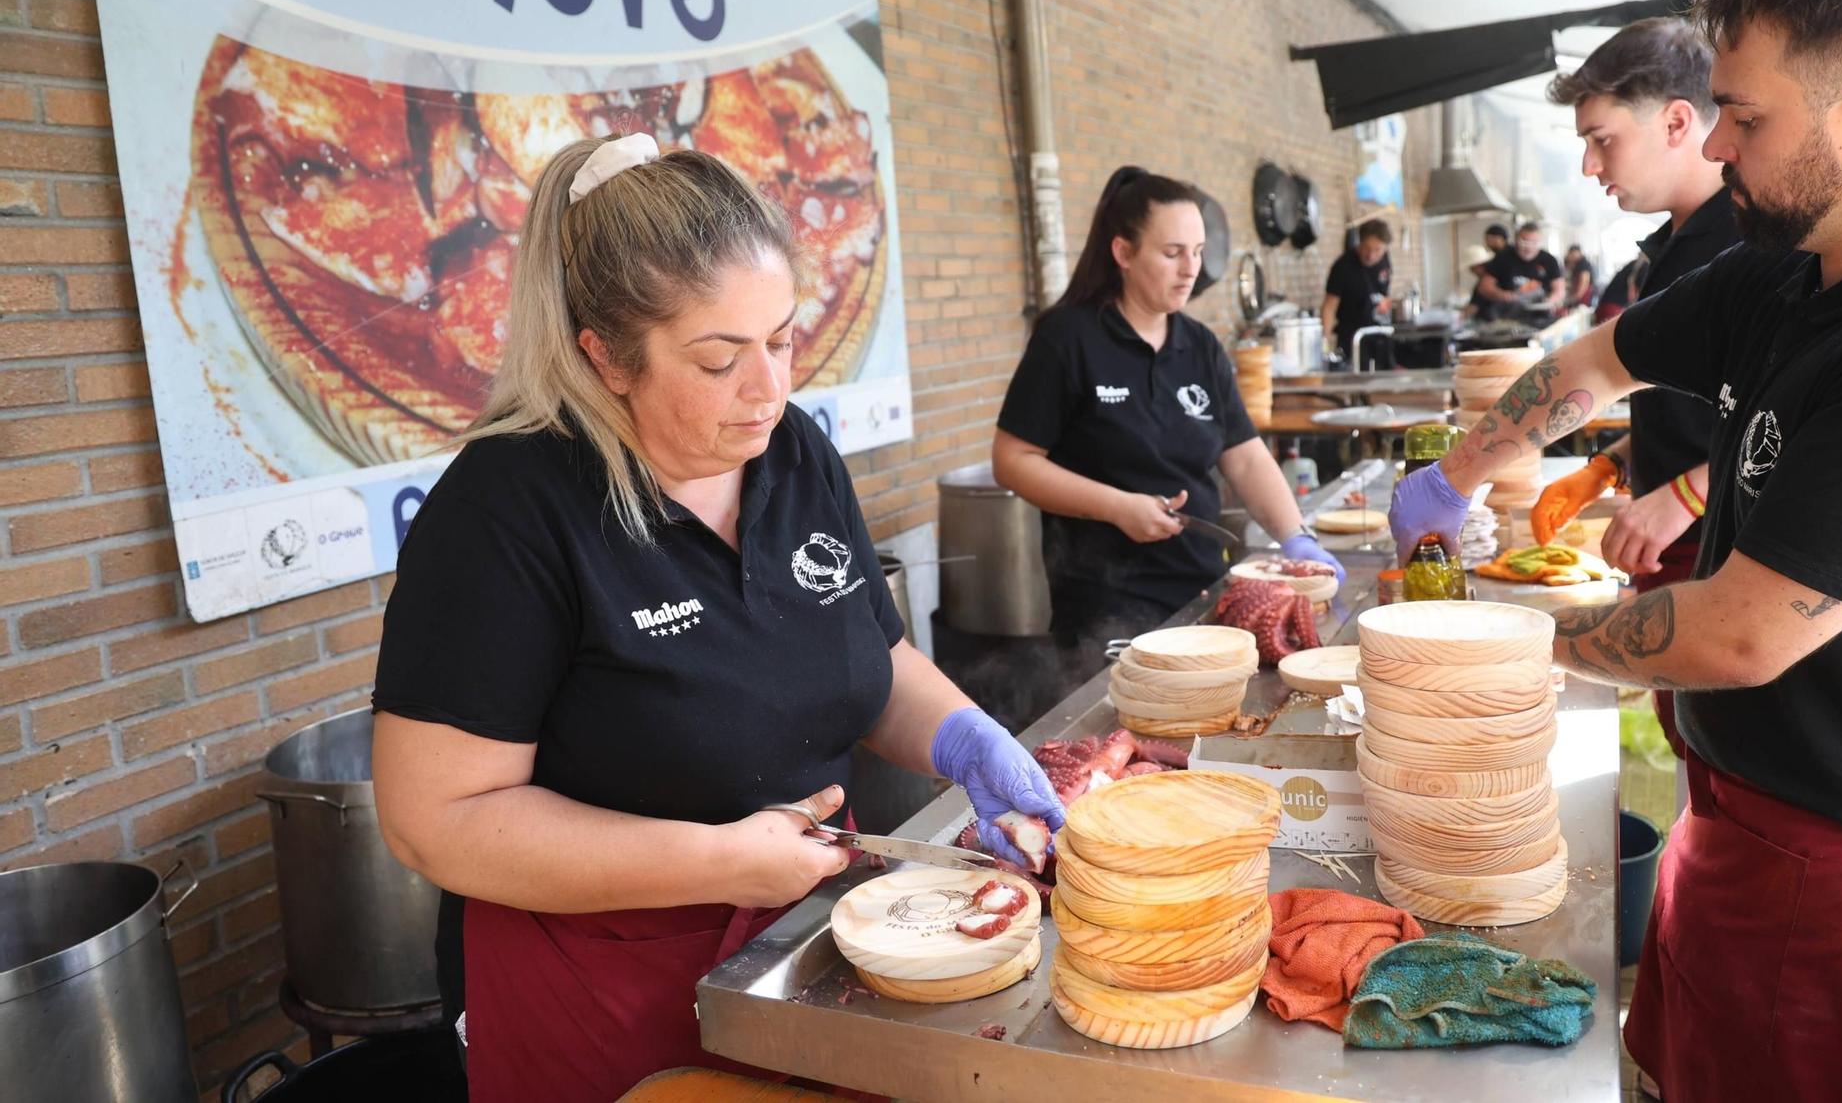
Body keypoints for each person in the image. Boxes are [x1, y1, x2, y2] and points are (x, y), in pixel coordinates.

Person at [1388, 0, 1842, 1103]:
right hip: (1735, 818)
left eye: (1742, 115)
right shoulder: (1788, 272)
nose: (1713, 147)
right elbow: (1593, 363)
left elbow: (1739, 632)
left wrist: (1467, 626)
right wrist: (1448, 477)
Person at [369, 138, 1064, 1101]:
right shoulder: (506, 509)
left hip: (810, 942)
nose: (770, 388)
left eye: (781, 339)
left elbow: (869, 648)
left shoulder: (793, 452)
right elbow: (435, 821)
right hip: (602, 995)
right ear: (603, 356)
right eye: (719, 358)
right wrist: (724, 860)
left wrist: (966, 737)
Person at [992, 166, 1345, 654]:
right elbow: (1013, 461)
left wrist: (1295, 536)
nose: (1191, 269)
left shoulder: (1199, 345)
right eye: (1172, 253)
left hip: (1206, 591)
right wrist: (1118, 507)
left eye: (1198, 252)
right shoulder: (1068, 339)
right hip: (1106, 606)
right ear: (1123, 253)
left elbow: (1243, 455)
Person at [1534, 16, 1740, 602]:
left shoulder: (1746, 246)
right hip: (1664, 553)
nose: (1589, 166)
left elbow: (1793, 426)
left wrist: (1685, 498)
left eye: (1602, 140)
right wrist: (1610, 468)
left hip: (1723, 563)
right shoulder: (1675, 249)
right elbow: (1700, 414)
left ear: (1677, 121)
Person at [1320, 216, 1394, 364]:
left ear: (1385, 247)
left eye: (1377, 250)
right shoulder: (1342, 267)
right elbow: (1329, 307)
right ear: (1359, 242)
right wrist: (1324, 344)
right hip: (1352, 339)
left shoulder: (1385, 259)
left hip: (1380, 334)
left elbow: (1384, 291)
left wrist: (1386, 303)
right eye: (1366, 248)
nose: (1371, 255)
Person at [1474, 220, 1566, 319]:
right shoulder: (1503, 258)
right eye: (1524, 242)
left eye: (1534, 243)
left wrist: (1551, 300)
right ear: (1517, 240)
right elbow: (1485, 286)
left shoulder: (1550, 260)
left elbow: (1559, 290)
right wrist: (1501, 295)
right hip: (1508, 318)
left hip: (1541, 316)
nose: (1528, 248)